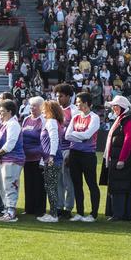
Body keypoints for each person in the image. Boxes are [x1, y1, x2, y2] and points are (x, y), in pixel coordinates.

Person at [103, 95, 131, 222]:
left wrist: (122, 159)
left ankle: (118, 214)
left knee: (118, 186)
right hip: (121, 158)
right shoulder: (124, 118)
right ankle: (127, 214)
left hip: (122, 159)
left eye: (115, 106)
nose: (113, 108)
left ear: (122, 107)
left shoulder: (128, 119)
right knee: (126, 187)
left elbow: (129, 140)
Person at [66, 91, 101, 223]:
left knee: (91, 184)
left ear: (86, 103)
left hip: (88, 155)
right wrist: (80, 137)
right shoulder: (75, 117)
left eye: (79, 103)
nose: (77, 105)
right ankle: (80, 212)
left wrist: (76, 135)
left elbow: (87, 135)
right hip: (74, 154)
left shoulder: (94, 118)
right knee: (77, 184)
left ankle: (93, 214)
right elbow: (67, 135)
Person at [0, 99, 25, 223]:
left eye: (2, 111)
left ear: (10, 111)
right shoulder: (5, 124)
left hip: (13, 159)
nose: (0, 113)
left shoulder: (13, 124)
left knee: (10, 185)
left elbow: (10, 143)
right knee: (3, 186)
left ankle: (11, 212)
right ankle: (7, 211)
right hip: (4, 159)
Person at [37, 100, 64, 223]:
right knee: (51, 186)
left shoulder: (51, 122)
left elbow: (54, 139)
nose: (42, 111)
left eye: (44, 109)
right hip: (50, 158)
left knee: (50, 187)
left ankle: (53, 215)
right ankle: (53, 213)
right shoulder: (53, 122)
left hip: (52, 159)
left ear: (50, 111)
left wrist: (51, 156)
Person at [54, 83, 77, 217]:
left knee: (68, 181)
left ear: (68, 96)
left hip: (68, 148)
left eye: (61, 96)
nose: (58, 99)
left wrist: (71, 152)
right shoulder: (55, 110)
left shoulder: (74, 111)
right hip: (57, 149)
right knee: (58, 180)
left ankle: (68, 208)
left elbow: (76, 132)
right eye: (57, 96)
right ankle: (59, 206)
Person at [20, 97, 46, 216]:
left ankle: (39, 210)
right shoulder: (26, 119)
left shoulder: (43, 120)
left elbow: (45, 140)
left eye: (34, 105)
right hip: (27, 158)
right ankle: (29, 209)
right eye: (31, 105)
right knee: (28, 183)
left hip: (38, 158)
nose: (32, 108)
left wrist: (43, 158)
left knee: (39, 185)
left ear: (41, 107)